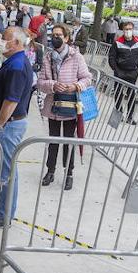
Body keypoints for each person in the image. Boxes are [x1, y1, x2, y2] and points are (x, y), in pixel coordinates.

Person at [0, 27, 34, 229]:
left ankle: (4, 215)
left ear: (18, 43)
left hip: (8, 126)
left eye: (7, 39)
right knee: (4, 170)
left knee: (7, 172)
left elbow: (11, 100)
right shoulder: (14, 62)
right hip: (7, 125)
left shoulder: (17, 66)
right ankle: (3, 208)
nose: (2, 41)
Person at [36, 24, 92, 190]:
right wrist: (53, 85)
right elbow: (40, 82)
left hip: (70, 105)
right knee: (53, 140)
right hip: (53, 105)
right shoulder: (48, 57)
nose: (55, 38)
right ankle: (50, 171)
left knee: (68, 140)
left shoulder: (76, 57)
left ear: (67, 38)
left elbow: (87, 78)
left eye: (59, 35)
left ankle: (69, 173)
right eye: (53, 34)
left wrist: (74, 86)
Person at [109, 20, 138, 125]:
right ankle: (119, 114)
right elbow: (112, 57)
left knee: (131, 95)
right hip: (119, 72)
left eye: (130, 29)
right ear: (123, 30)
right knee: (118, 94)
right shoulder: (117, 42)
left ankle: (130, 117)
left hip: (132, 73)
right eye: (126, 29)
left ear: (133, 30)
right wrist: (115, 69)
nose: (128, 31)